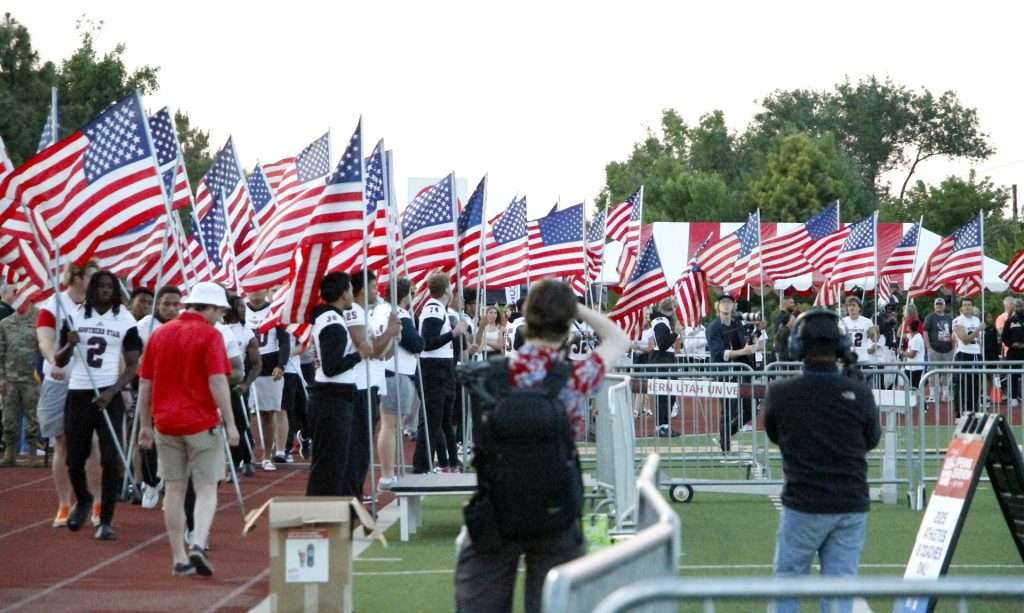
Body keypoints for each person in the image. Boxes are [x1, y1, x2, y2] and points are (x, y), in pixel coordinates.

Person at [454, 279, 629, 613]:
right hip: (556, 510)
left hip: (496, 508)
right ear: (567, 327)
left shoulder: (490, 376)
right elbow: (619, 338)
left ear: (526, 317)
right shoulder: (576, 377)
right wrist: (573, 306)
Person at [764, 308, 881, 613]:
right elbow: (871, 440)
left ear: (797, 346)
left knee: (788, 584)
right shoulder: (859, 392)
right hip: (850, 502)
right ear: (841, 345)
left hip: (803, 501)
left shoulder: (780, 393)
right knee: (840, 588)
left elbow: (775, 434)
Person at [136, 281, 238, 576]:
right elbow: (217, 381)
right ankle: (198, 541)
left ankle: (179, 556)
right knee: (206, 488)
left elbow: (145, 383)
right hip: (200, 421)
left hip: (165, 423)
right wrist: (231, 423)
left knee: (174, 490)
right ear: (211, 308)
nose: (220, 317)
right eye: (219, 311)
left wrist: (145, 425)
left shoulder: (159, 334)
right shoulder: (210, 335)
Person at [55, 271, 143, 540]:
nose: (105, 290)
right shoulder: (76, 316)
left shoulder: (125, 320)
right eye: (100, 286)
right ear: (92, 289)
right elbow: (59, 360)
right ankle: (82, 499)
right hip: (79, 392)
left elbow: (133, 366)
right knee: (75, 457)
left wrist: (113, 391)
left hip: (108, 394)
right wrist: (69, 346)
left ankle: (105, 519)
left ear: (115, 291)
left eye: (109, 287)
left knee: (109, 458)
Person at [36, 261, 101, 527]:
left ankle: (97, 502)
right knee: (62, 443)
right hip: (59, 381)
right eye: (91, 277)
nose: (97, 282)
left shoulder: (101, 306)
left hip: (90, 381)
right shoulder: (53, 305)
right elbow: (45, 339)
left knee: (93, 444)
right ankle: (65, 503)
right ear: (76, 277)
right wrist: (54, 361)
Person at [306, 272, 365, 496]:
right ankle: (323, 514)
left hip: (331, 396)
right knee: (330, 463)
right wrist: (358, 355)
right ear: (343, 293)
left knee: (331, 461)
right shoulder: (333, 323)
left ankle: (326, 512)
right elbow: (332, 367)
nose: (352, 294)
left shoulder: (330, 318)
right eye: (350, 289)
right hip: (332, 398)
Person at [343, 270, 399, 497]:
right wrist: (389, 332)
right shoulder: (355, 312)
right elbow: (371, 350)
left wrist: (392, 336)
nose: (378, 291)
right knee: (358, 445)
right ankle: (352, 494)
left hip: (370, 382)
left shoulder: (363, 312)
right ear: (362, 290)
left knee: (361, 443)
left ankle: (355, 491)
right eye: (374, 286)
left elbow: (383, 355)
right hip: (360, 385)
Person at [134, 285, 184, 508]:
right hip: (150, 389)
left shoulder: (186, 326)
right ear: (157, 304)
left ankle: (171, 482)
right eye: (166, 304)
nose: (171, 309)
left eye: (176, 304)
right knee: (148, 438)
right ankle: (151, 482)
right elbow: (132, 358)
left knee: (176, 439)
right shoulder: (144, 326)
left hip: (180, 391)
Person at [413, 273, 466, 473]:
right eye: (451, 288)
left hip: (443, 369)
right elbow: (428, 342)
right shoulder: (434, 308)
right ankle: (422, 465)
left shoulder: (439, 308)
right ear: (446, 290)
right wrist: (453, 333)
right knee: (432, 420)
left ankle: (451, 461)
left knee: (444, 419)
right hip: (433, 370)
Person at [378, 277, 424, 489]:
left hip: (384, 370)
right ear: (405, 295)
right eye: (412, 293)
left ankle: (389, 472)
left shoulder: (379, 309)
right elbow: (415, 343)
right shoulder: (400, 314)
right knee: (390, 427)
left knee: (389, 426)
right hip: (396, 371)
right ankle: (388, 474)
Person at [244, 288, 290, 470]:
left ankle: (267, 455)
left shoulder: (275, 310)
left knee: (268, 413)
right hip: (246, 366)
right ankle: (245, 454)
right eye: (252, 288)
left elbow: (284, 341)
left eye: (260, 287)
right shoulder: (241, 309)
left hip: (269, 366)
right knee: (243, 414)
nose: (256, 292)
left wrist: (281, 365)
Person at [705, 294, 756, 452]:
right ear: (717, 306)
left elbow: (744, 343)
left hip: (742, 372)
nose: (726, 305)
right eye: (723, 302)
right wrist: (744, 350)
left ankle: (725, 435)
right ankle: (725, 449)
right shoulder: (713, 328)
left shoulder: (737, 323)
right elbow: (720, 354)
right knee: (727, 411)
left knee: (749, 411)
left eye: (729, 302)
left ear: (734, 306)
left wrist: (753, 342)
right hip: (723, 373)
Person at [0, 296, 41, 467]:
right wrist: (1, 377)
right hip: (11, 378)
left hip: (33, 379)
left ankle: (32, 454)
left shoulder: (39, 319)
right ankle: (10, 453)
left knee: (33, 418)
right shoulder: (5, 323)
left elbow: (44, 347)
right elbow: (0, 352)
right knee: (8, 417)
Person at [224, 294, 261, 476]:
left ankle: (242, 460)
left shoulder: (246, 332)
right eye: (239, 306)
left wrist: (246, 384)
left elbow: (256, 364)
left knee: (240, 423)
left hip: (236, 385)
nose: (243, 309)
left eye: (243, 307)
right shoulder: (217, 328)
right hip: (214, 382)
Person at [649, 298, 680, 436]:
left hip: (664, 361)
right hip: (662, 362)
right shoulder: (661, 322)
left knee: (669, 395)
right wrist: (675, 333)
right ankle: (662, 426)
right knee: (664, 395)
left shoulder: (662, 321)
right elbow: (662, 344)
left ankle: (664, 425)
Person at [952, 298, 982, 415]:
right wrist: (978, 330)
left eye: (969, 305)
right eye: (965, 305)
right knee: (961, 385)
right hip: (964, 354)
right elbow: (964, 340)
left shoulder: (976, 319)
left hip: (976, 354)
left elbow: (978, 340)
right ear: (961, 308)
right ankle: (959, 413)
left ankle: (972, 412)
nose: (967, 307)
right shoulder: (958, 321)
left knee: (975, 385)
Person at [923, 297, 954, 403]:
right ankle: (933, 394)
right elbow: (925, 332)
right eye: (937, 304)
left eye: (941, 304)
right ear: (934, 305)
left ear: (944, 306)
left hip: (948, 349)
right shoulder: (930, 318)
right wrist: (928, 347)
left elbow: (953, 332)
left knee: (946, 372)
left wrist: (953, 345)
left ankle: (945, 393)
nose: (939, 306)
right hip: (934, 349)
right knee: (933, 372)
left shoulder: (950, 318)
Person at [1001, 298, 1024, 408]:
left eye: (1021, 306)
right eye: (1017, 306)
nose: (1019, 308)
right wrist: (1011, 344)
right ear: (1014, 307)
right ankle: (1014, 397)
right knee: (1013, 375)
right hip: (1013, 352)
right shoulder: (1009, 321)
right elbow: (1004, 337)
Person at [840, 297, 872, 364]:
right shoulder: (842, 321)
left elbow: (872, 339)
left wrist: (872, 347)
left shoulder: (867, 322)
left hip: (863, 358)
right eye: (849, 305)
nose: (851, 308)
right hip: (848, 358)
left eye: (854, 305)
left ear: (859, 308)